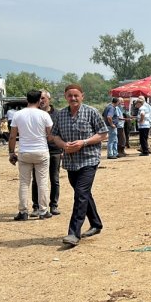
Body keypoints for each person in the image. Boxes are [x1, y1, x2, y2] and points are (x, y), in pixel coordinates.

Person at [50, 84, 107, 246]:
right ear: (65, 97)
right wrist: (63, 145)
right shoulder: (61, 115)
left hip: (89, 159)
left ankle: (74, 233)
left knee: (80, 194)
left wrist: (84, 142)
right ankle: (96, 224)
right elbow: (54, 136)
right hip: (70, 162)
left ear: (82, 96)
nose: (73, 98)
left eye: (76, 95)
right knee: (83, 193)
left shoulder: (91, 112)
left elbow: (103, 133)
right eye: (70, 95)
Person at [8, 89, 53, 221]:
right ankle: (43, 211)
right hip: (41, 151)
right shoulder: (44, 115)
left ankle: (23, 211)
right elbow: (50, 135)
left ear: (26, 99)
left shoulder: (18, 115)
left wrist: (11, 152)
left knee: (24, 183)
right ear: (40, 100)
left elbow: (12, 136)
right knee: (42, 182)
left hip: (24, 152)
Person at [30, 90, 63, 217]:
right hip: (38, 151)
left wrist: (63, 149)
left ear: (49, 99)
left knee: (54, 179)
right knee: (36, 180)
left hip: (54, 150)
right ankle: (36, 206)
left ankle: (53, 205)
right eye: (39, 98)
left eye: (43, 98)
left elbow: (62, 132)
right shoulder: (33, 114)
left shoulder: (58, 114)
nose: (41, 100)